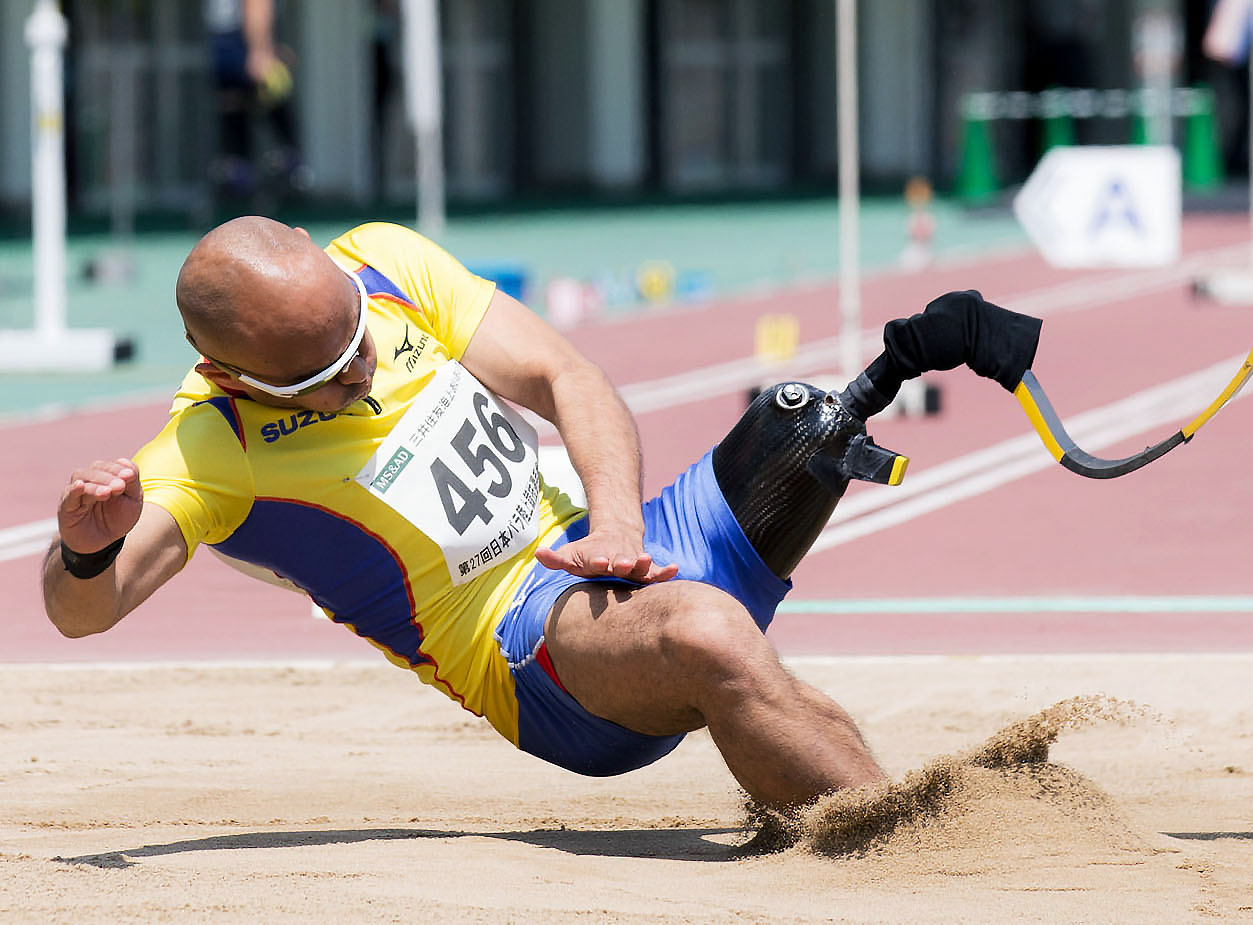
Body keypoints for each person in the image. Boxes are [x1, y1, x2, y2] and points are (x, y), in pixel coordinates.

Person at [43, 218, 1041, 814]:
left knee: (802, 420)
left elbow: (567, 375)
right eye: (321, 378)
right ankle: (907, 843)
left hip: (616, 543)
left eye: (355, 338)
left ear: (320, 256)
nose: (360, 371)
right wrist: (83, 553)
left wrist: (615, 526)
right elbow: (81, 611)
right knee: (707, 632)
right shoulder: (209, 447)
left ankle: (918, 344)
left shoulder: (383, 263)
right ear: (227, 371)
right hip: (527, 648)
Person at [206, 0, 309, 203]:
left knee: (250, 119)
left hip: (239, 45)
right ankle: (248, 182)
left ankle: (276, 177)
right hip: (237, 45)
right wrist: (261, 48)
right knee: (240, 120)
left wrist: (260, 48)